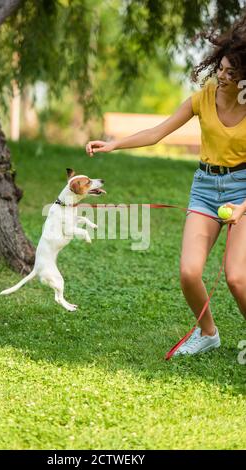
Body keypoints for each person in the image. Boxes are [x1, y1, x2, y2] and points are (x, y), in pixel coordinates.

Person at [85, 17, 246, 356]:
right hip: (205, 189)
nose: (223, 76)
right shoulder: (203, 98)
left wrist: (243, 207)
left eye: (232, 73)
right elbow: (157, 132)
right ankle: (208, 333)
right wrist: (113, 144)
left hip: (242, 191)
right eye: (222, 68)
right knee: (189, 272)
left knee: (237, 278)